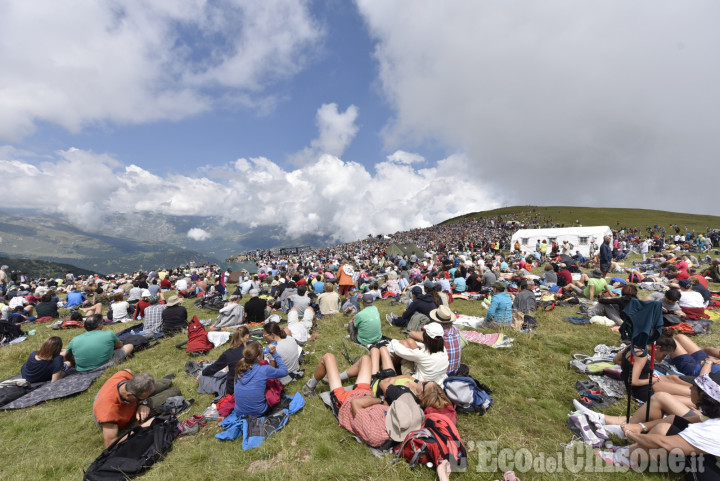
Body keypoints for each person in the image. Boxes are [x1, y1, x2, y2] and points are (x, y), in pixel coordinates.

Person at [594, 372, 720, 477]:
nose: (690, 388)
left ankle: (626, 458)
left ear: (704, 396)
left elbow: (664, 443)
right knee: (674, 420)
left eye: (694, 386)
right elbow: (675, 420)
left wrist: (633, 435)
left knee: (664, 431)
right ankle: (630, 450)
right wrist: (641, 427)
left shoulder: (713, 429)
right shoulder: (713, 416)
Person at [92, 370, 155, 447]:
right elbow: (110, 444)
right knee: (164, 396)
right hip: (107, 412)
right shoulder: (109, 413)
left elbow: (128, 370)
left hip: (118, 397)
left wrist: (143, 403)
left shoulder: (124, 375)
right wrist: (142, 427)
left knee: (164, 384)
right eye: (141, 399)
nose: (144, 400)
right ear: (129, 395)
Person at [232, 342, 288, 417]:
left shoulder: (239, 367)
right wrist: (275, 354)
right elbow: (284, 371)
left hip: (239, 412)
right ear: (258, 357)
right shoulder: (264, 370)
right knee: (274, 386)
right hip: (258, 413)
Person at [196, 327, 252, 397]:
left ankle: (201, 379)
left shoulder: (228, 354)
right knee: (222, 375)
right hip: (252, 386)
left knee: (207, 380)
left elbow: (213, 368)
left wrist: (202, 374)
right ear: (247, 336)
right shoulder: (254, 348)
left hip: (233, 389)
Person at [66, 314, 134, 371]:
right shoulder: (109, 334)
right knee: (129, 346)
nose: (103, 324)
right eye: (102, 322)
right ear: (99, 325)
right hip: (103, 364)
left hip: (81, 369)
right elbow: (120, 346)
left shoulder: (75, 339)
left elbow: (67, 354)